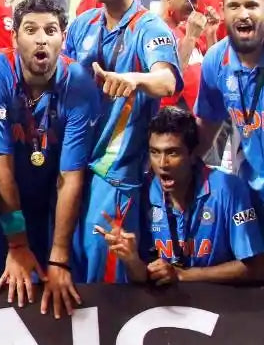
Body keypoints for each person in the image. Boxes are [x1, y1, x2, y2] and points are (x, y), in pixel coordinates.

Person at [61, 0, 182, 284]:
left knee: (104, 283)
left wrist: (134, 79)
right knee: (71, 269)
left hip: (115, 175)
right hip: (73, 167)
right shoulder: (83, 24)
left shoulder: (149, 27)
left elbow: (167, 81)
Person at [0, 0, 99, 316]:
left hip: (47, 205)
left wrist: (59, 258)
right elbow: (2, 168)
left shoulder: (79, 84)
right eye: (30, 30)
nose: (41, 39)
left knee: (51, 288)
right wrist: (16, 244)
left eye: (50, 30)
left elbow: (70, 177)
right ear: (14, 37)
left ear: (63, 37)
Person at [104, 107, 264, 285]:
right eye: (155, 152)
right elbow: (145, 278)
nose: (162, 164)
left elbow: (257, 268)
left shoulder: (228, 189)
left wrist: (184, 275)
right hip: (166, 306)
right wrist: (132, 261)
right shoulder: (142, 192)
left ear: (193, 154)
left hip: (221, 304)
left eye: (172, 152)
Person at [195, 0, 264, 212]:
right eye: (234, 6)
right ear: (223, 11)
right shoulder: (215, 60)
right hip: (250, 194)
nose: (243, 14)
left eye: (252, 5)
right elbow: (207, 127)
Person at [155, 0, 216, 110]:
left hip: (203, 121)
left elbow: (213, 72)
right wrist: (190, 38)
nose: (195, 5)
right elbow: (168, 85)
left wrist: (210, 34)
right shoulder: (153, 33)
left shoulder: (184, 29)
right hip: (174, 123)